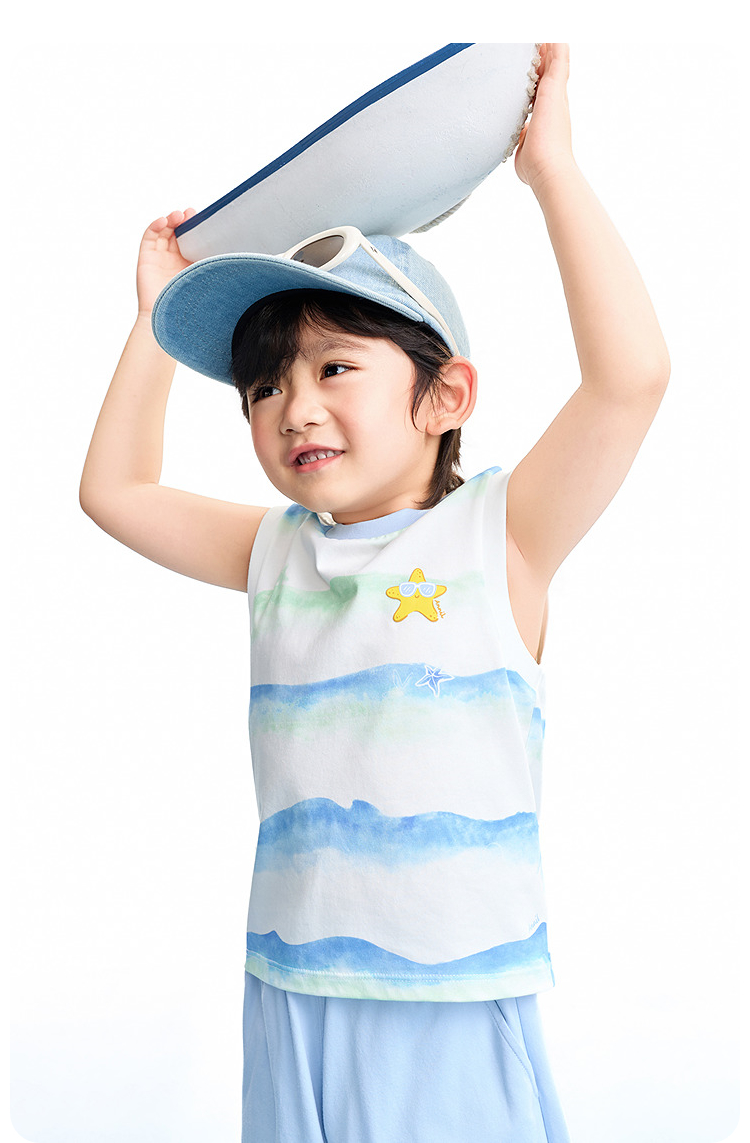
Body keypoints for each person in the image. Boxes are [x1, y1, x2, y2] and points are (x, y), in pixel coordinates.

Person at [79, 43, 670, 1143]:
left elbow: (630, 379)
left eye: (334, 367)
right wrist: (152, 321)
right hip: (289, 987)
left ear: (445, 396)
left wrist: (553, 174)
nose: (293, 407)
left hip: (448, 996)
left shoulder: (501, 537)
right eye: (263, 387)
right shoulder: (276, 552)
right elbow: (115, 492)